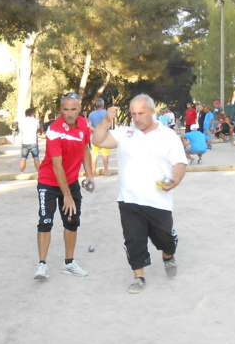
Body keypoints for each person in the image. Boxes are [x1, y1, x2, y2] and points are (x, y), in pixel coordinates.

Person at [91, 94, 187, 294]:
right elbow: (98, 140)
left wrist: (175, 181)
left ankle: (168, 255)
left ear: (152, 112)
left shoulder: (167, 134)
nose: (136, 118)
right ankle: (138, 277)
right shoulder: (124, 132)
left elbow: (179, 163)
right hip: (129, 199)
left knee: (164, 239)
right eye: (133, 114)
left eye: (141, 113)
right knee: (134, 239)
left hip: (158, 199)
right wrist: (107, 120)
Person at [33, 93, 94, 280]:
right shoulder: (54, 130)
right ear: (60, 109)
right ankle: (42, 265)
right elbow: (57, 166)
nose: (69, 113)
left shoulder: (83, 124)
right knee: (46, 221)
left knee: (72, 222)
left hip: (71, 182)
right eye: (65, 109)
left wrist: (90, 175)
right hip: (49, 181)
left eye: (73, 109)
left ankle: (69, 263)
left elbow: (85, 149)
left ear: (80, 108)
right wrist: (66, 195)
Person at [87, 99, 111, 175]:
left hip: (95, 136)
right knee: (105, 154)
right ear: (103, 105)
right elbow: (109, 124)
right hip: (104, 136)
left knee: (94, 154)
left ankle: (93, 171)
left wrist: (96, 130)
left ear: (96, 105)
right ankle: (106, 171)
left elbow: (89, 126)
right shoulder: (107, 113)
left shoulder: (91, 114)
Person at [18, 107, 41, 173]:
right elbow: (38, 129)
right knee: (36, 158)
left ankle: (21, 172)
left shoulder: (22, 121)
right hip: (33, 142)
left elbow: (21, 131)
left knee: (23, 158)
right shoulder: (35, 121)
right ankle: (39, 172)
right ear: (32, 113)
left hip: (25, 142)